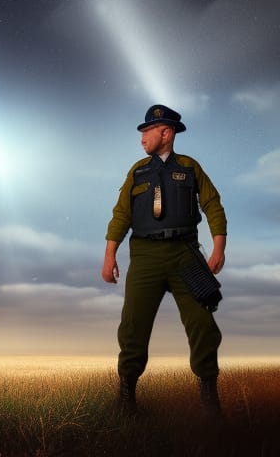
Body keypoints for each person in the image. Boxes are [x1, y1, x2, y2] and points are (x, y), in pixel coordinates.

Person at [101, 104, 227, 417]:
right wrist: (109, 256)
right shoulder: (138, 171)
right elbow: (121, 214)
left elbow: (213, 205)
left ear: (166, 133)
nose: (142, 137)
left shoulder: (190, 167)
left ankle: (209, 395)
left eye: (148, 131)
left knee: (202, 323)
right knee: (132, 326)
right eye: (142, 131)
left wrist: (218, 249)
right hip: (145, 256)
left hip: (185, 254)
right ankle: (127, 395)